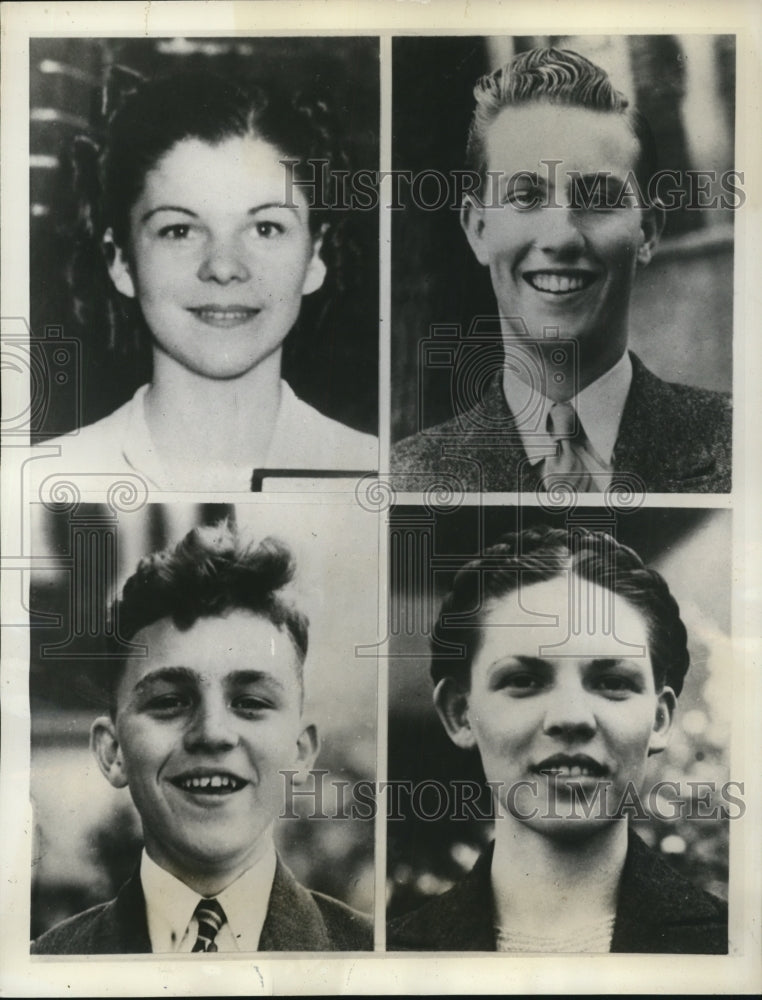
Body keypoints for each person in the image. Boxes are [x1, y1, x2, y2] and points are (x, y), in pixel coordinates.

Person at [391, 47, 731, 493]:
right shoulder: (406, 478)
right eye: (527, 197)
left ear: (647, 232)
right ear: (478, 229)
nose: (562, 236)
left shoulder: (740, 444)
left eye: (598, 199)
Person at [32, 520, 372, 953]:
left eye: (250, 702)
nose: (212, 733)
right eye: (170, 701)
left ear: (300, 752)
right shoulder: (45, 966)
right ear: (113, 750)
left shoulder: (375, 956)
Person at [30, 69, 377, 493]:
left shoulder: (375, 473)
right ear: (119, 259)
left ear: (315, 256)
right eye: (180, 230)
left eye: (265, 228)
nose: (224, 266)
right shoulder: (41, 484)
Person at [387, 526, 727, 953]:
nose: (571, 717)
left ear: (660, 719)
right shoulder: (394, 954)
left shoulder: (732, 949)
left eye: (612, 682)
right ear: (460, 714)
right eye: (524, 680)